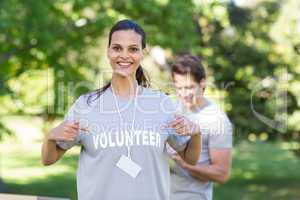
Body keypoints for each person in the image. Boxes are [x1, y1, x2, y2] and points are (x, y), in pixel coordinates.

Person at [41, 20, 201, 200]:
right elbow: (49, 159)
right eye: (117, 48)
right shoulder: (86, 106)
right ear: (108, 51)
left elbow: (191, 159)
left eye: (133, 49)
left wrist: (196, 134)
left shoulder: (162, 105)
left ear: (142, 53)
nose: (124, 55)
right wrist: (49, 137)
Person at [168, 54, 233, 200]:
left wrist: (182, 162)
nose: (184, 94)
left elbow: (222, 174)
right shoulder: (172, 108)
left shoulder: (217, 120)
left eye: (189, 87)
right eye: (179, 88)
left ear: (202, 84)